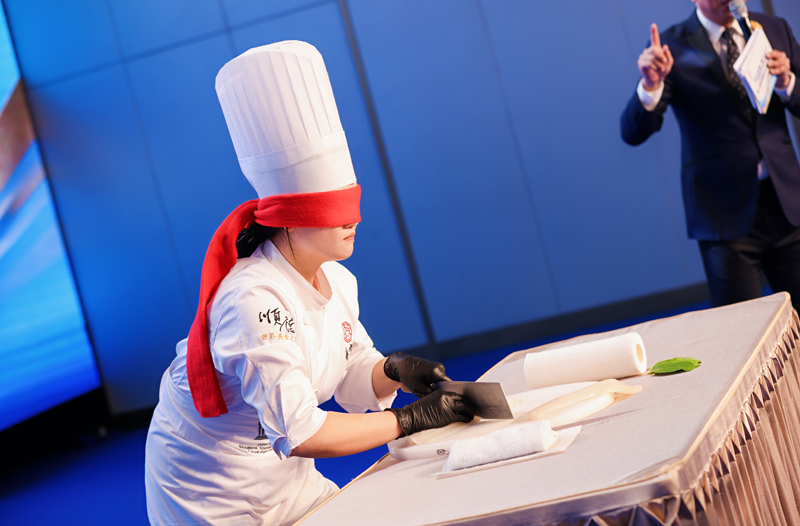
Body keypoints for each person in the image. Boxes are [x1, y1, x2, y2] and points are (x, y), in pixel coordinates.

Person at [144, 41, 475, 526]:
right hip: (210, 490)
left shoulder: (336, 279)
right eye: (333, 208)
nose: (352, 220)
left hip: (286, 477)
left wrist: (393, 370)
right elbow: (302, 431)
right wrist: (407, 419)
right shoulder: (253, 299)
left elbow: (350, 368)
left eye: (352, 202)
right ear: (290, 218)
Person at [620, 0, 800, 309]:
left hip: (787, 203)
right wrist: (650, 85)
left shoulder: (773, 28)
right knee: (741, 326)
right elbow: (632, 133)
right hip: (724, 214)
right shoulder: (670, 47)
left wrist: (787, 83)